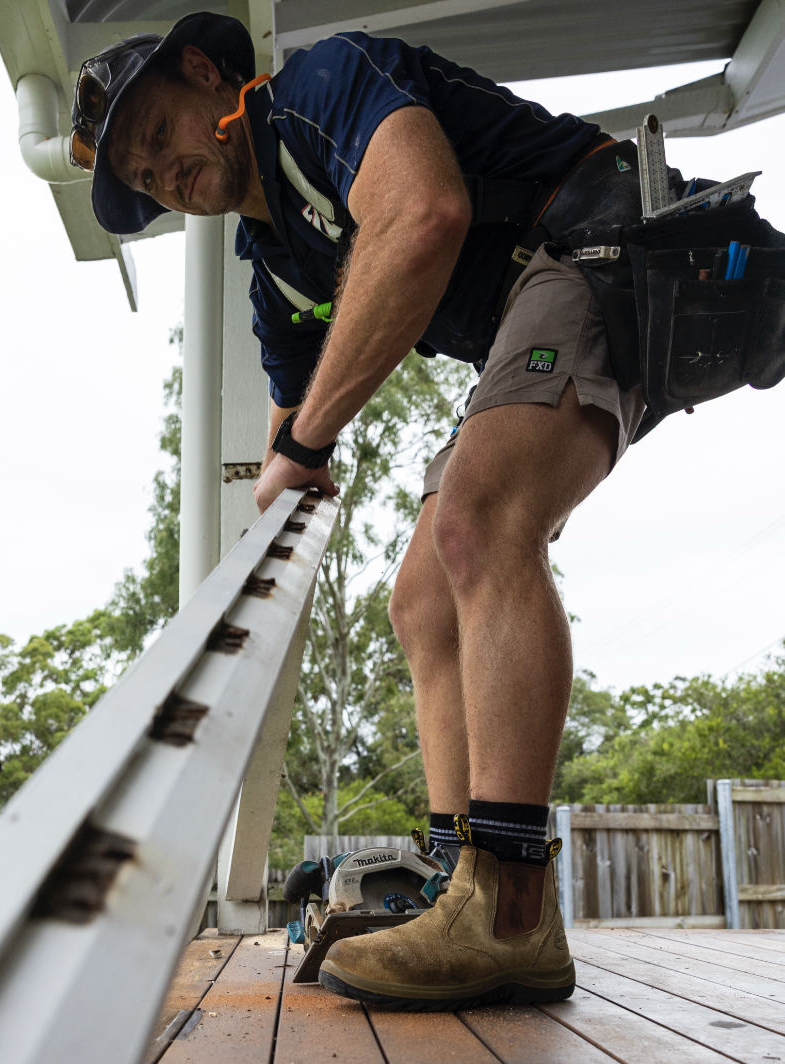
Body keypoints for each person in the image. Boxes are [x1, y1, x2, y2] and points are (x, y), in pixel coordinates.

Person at [80, 11, 646, 1011]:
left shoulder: (315, 88)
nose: (161, 173)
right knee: (422, 601)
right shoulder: (276, 267)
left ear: (208, 76)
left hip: (604, 239)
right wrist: (288, 458)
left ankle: (511, 906)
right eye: (141, 176)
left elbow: (423, 213)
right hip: (531, 307)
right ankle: (452, 880)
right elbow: (292, 413)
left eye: (159, 134)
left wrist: (302, 447)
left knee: (477, 522)